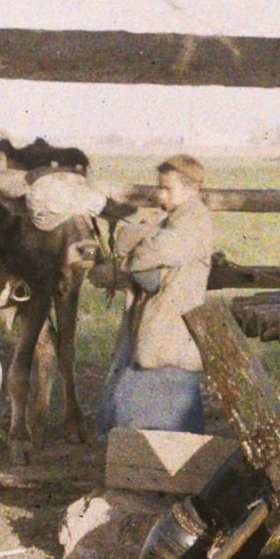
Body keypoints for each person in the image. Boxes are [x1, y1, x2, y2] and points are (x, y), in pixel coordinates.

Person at [94, 155, 221, 434]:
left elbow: (155, 251)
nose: (158, 193)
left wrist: (133, 239)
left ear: (192, 189)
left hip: (172, 324)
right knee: (138, 401)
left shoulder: (194, 220)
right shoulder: (174, 217)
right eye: (159, 187)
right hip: (158, 321)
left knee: (159, 403)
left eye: (167, 188)